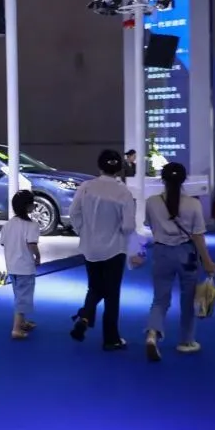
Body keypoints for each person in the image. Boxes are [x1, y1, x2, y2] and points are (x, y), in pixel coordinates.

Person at [143, 161, 215, 361]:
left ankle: (152, 333)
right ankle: (186, 341)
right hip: (187, 254)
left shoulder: (152, 202)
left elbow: (149, 225)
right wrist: (208, 262)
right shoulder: (194, 204)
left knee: (160, 299)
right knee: (188, 299)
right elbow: (198, 236)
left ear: (163, 179)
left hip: (161, 253)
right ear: (185, 180)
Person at [69, 149, 136, 350]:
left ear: (100, 166)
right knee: (112, 294)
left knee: (95, 287)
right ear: (119, 168)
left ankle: (85, 316)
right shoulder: (123, 192)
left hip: (90, 247)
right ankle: (111, 338)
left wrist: (83, 231)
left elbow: (73, 212)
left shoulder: (86, 187)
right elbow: (128, 226)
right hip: (115, 248)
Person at [2, 189, 42, 339]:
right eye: (32, 203)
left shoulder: (8, 225)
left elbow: (4, 243)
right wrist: (38, 257)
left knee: (19, 296)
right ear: (27, 206)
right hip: (25, 267)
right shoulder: (32, 225)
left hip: (12, 266)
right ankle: (16, 329)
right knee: (23, 298)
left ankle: (22, 322)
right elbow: (32, 244)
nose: (34, 206)